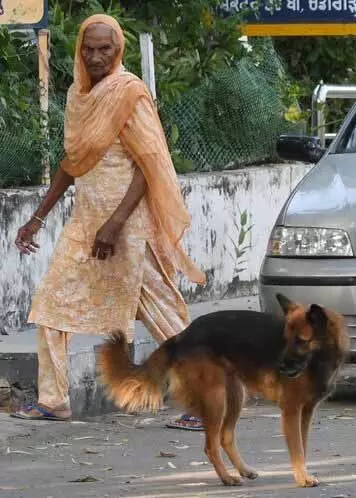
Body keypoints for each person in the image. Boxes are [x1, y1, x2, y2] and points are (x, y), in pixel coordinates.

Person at [11, 14, 206, 431]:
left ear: (119, 52)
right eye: (89, 48)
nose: (96, 56)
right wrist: (37, 218)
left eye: (106, 49)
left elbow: (147, 165)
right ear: (79, 49)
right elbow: (72, 164)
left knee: (167, 316)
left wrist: (116, 224)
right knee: (49, 307)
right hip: (85, 224)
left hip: (130, 228)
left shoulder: (130, 93)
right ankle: (53, 400)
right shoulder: (77, 95)